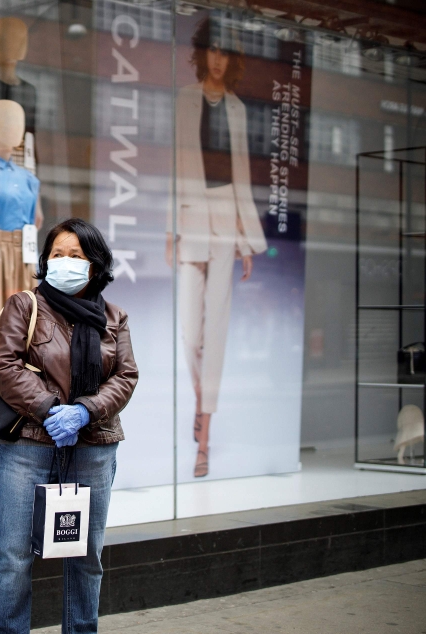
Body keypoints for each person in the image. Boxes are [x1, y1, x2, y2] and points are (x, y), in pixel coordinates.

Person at [0, 218, 138, 634]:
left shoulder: (114, 316)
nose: (65, 263)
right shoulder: (24, 305)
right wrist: (51, 409)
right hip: (29, 443)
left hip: (93, 446)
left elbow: (126, 377)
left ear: (95, 263)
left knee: (86, 551)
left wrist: (85, 412)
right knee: (13, 552)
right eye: (58, 254)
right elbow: (1, 363)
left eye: (76, 255)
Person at [166, 17, 267, 478]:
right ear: (203, 53)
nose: (220, 59)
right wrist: (170, 229)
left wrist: (247, 240)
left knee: (218, 330)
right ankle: (200, 398)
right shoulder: (184, 101)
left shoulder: (239, 109)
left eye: (227, 52)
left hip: (226, 216)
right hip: (191, 216)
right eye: (214, 50)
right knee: (190, 334)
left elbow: (242, 174)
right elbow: (172, 166)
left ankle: (204, 433)